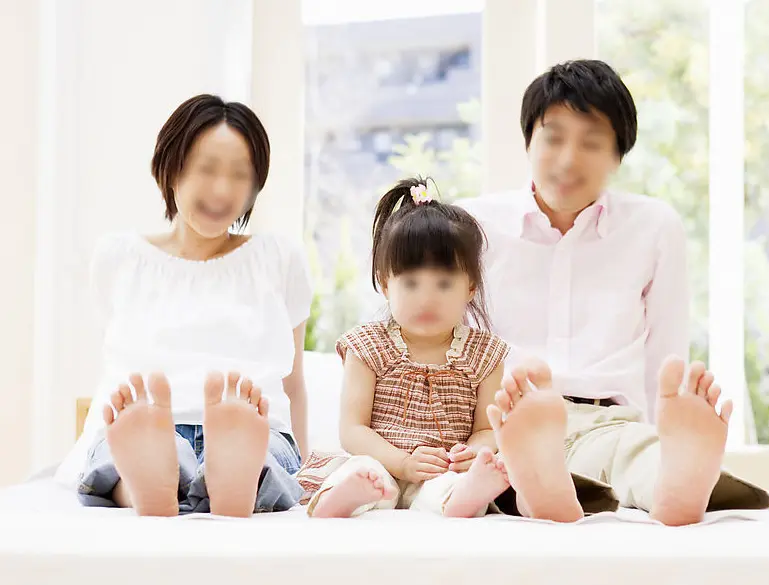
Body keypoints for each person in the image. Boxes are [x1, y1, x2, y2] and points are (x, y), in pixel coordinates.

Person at [459, 60, 769, 525]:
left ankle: (673, 480)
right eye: (554, 137)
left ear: (618, 155)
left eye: (591, 143)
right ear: (528, 142)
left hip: (608, 421)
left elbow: (665, 353)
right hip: (506, 418)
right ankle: (541, 484)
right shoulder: (470, 226)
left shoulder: (653, 226)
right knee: (499, 468)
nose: (568, 159)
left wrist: (666, 419)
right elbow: (432, 332)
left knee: (637, 455)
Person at [56, 94, 312, 517]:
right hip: (146, 422)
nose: (222, 189)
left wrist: (304, 469)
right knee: (124, 451)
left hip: (249, 425)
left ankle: (216, 478)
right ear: (171, 167)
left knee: (263, 455)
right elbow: (114, 362)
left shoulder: (279, 257)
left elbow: (292, 382)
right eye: (207, 169)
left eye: (240, 174)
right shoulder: (119, 257)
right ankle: (156, 480)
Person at [303, 178, 580, 521]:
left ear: (470, 288)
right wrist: (402, 463)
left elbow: (486, 428)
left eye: (445, 284)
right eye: (411, 283)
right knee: (361, 471)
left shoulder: (484, 355)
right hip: (381, 461)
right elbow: (353, 430)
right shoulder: (368, 346)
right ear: (386, 284)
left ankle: (464, 499)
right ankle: (344, 498)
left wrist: (473, 452)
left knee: (454, 483)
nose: (427, 298)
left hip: (442, 468)